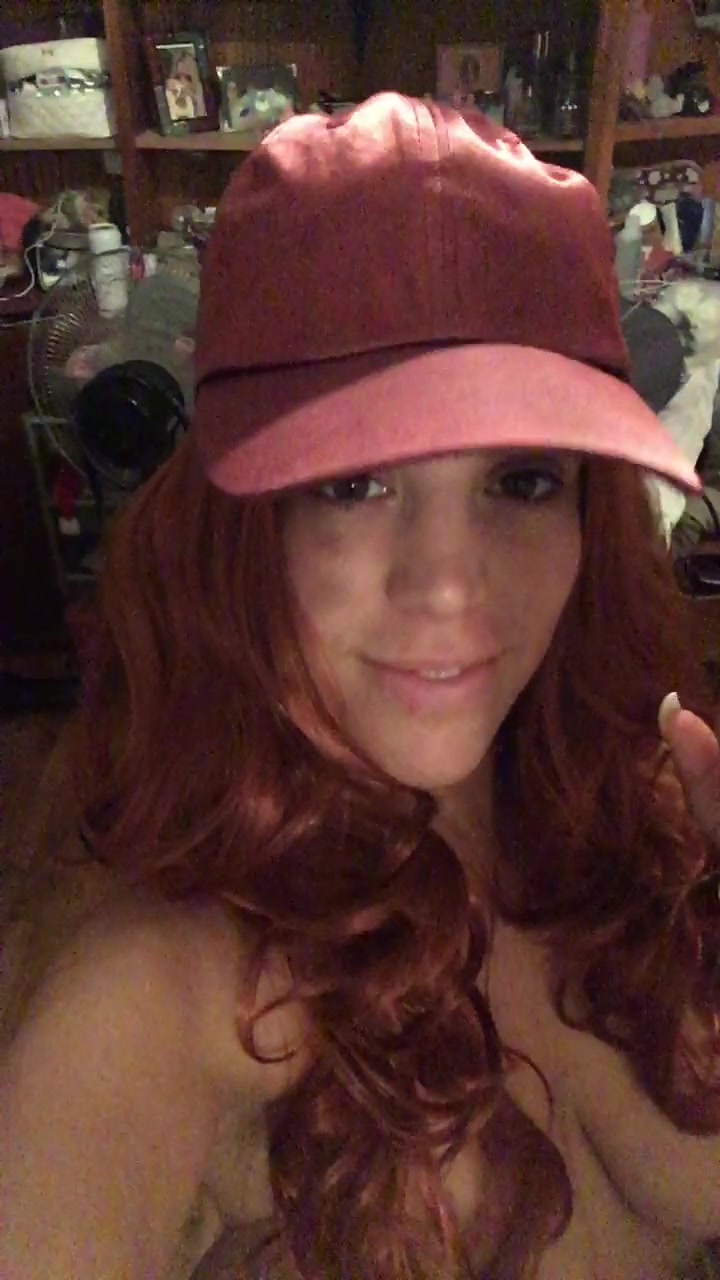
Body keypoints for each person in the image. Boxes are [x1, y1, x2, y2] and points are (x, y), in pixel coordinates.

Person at [1, 92, 719, 1280]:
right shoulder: (160, 998)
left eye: (523, 479)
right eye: (353, 483)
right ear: (238, 526)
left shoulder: (640, 820)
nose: (450, 584)